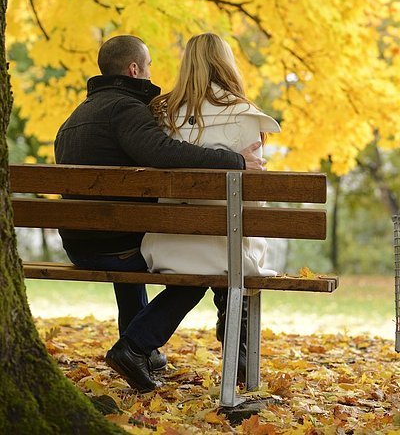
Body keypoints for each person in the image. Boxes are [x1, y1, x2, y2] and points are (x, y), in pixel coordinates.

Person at [54, 34, 264, 393]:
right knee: (196, 266)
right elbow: (165, 152)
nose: (153, 75)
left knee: (144, 247)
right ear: (134, 69)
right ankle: (135, 346)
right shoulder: (125, 110)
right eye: (149, 66)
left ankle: (141, 349)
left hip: (80, 242)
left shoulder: (76, 116)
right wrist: (234, 161)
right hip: (116, 242)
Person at [141, 32, 281, 380]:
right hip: (225, 248)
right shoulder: (246, 115)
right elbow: (256, 195)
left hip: (168, 247)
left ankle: (140, 343)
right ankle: (239, 351)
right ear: (227, 64)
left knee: (221, 249)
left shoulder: (163, 114)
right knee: (236, 253)